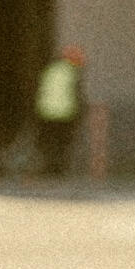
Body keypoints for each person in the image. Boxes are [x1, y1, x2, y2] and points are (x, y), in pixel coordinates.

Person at [35, 45, 84, 176]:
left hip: (46, 112)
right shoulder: (71, 72)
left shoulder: (50, 69)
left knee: (48, 142)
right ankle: (58, 168)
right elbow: (75, 93)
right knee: (62, 143)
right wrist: (79, 112)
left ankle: (48, 167)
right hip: (64, 113)